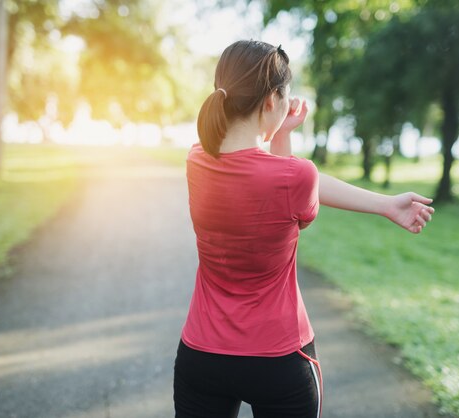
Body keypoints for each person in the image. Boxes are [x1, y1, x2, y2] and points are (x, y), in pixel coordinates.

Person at [173, 40, 435, 418]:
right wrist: (385, 205)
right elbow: (290, 183)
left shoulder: (197, 160)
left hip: (203, 357)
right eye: (285, 95)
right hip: (279, 360)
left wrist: (279, 133)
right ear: (270, 101)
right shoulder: (297, 175)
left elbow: (272, 177)